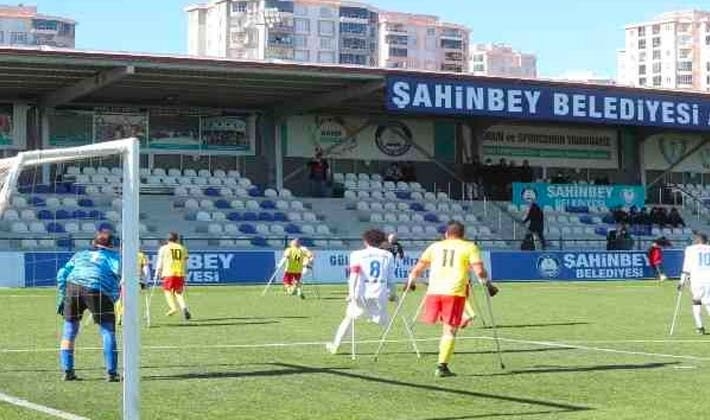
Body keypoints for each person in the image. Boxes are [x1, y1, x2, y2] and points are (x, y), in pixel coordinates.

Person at [407, 221, 498, 377]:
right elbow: (479, 270)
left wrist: (411, 282)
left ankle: (443, 361)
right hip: (454, 292)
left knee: (446, 327)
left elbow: (418, 268)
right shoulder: (469, 247)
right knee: (449, 330)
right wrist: (488, 285)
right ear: (463, 235)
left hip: (434, 292)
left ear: (446, 234)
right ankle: (442, 366)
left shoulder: (434, 247)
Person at [56, 230, 121, 382]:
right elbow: (121, 277)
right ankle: (111, 373)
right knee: (107, 330)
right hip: (97, 289)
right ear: (111, 244)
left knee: (69, 330)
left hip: (73, 287)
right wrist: (114, 296)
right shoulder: (114, 257)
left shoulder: (80, 254)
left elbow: (61, 274)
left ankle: (67, 371)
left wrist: (62, 296)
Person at [326, 229, 395, 354]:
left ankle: (336, 346)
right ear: (381, 242)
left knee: (349, 318)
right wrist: (393, 293)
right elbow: (390, 277)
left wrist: (351, 293)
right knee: (383, 319)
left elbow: (354, 275)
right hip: (380, 292)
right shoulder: (388, 255)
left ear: (365, 241)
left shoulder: (357, 254)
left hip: (361, 292)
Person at [678, 232, 710, 335]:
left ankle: (700, 327)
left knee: (697, 302)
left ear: (697, 240)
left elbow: (686, 267)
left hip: (697, 280)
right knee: (708, 303)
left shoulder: (690, 249)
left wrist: (682, 281)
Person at [155, 232, 191, 320]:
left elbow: (160, 261)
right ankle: (184, 307)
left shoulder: (164, 248)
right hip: (179, 273)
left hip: (168, 272)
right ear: (177, 239)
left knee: (167, 291)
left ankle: (173, 308)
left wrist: (157, 271)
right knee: (178, 292)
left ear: (167, 240)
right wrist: (185, 272)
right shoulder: (182, 248)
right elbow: (185, 262)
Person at [115, 249, 150, 326]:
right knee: (130, 300)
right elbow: (146, 269)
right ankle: (125, 317)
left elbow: (118, 269)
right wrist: (146, 280)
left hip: (125, 280)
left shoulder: (124, 255)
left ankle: (120, 316)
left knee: (121, 299)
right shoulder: (141, 255)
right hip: (137, 281)